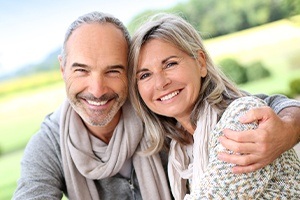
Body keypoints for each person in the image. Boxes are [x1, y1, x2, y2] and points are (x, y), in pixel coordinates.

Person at [13, 11, 300, 200]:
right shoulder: (168, 133)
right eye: (81, 70)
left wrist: (288, 126)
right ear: (63, 69)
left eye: (113, 70)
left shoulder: (164, 117)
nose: (97, 90)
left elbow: (262, 105)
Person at [128, 13, 300, 199]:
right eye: (145, 75)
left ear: (201, 62)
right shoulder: (179, 150)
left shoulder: (241, 119)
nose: (160, 83)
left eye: (170, 64)